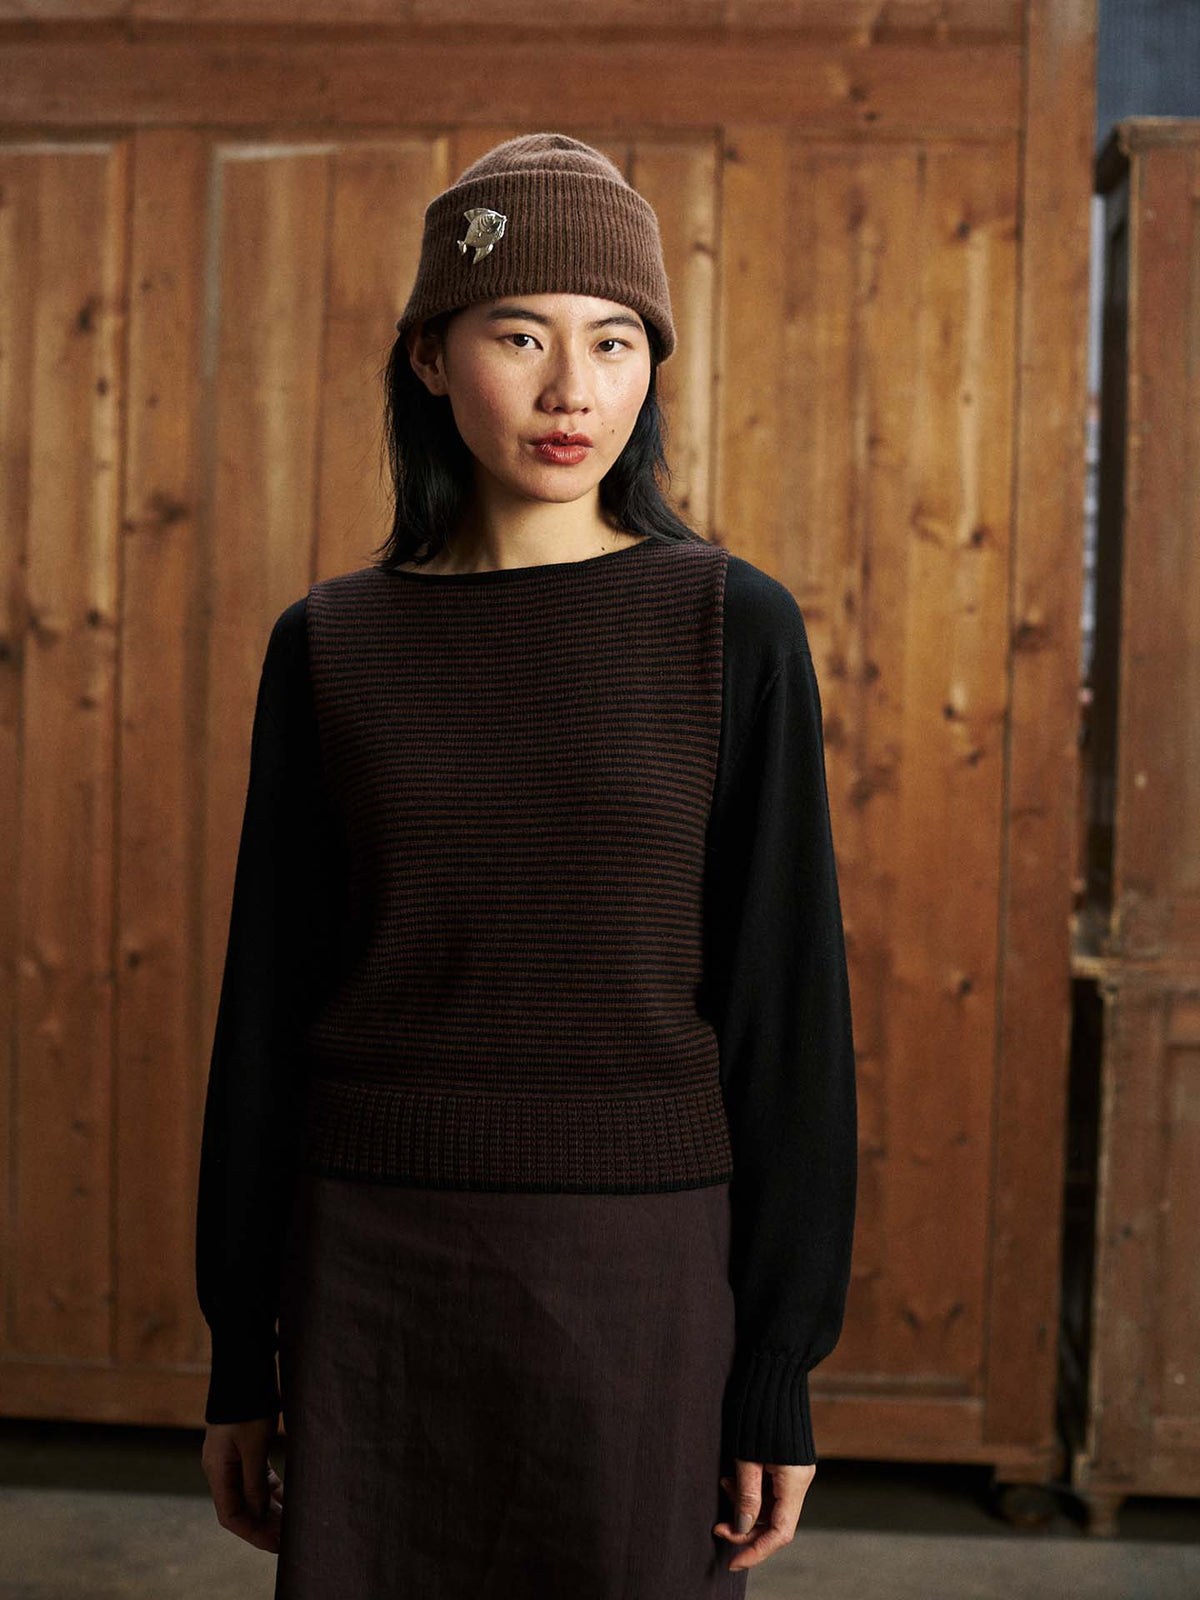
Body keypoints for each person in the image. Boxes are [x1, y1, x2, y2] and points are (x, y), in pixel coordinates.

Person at [196, 132, 857, 1599]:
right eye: (523, 335)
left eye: (616, 343)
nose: (576, 391)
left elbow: (787, 1017)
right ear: (432, 357)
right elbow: (264, 1012)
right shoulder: (331, 645)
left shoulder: (731, 630)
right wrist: (244, 1347)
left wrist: (777, 1368)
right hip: (371, 1269)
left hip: (642, 1277)